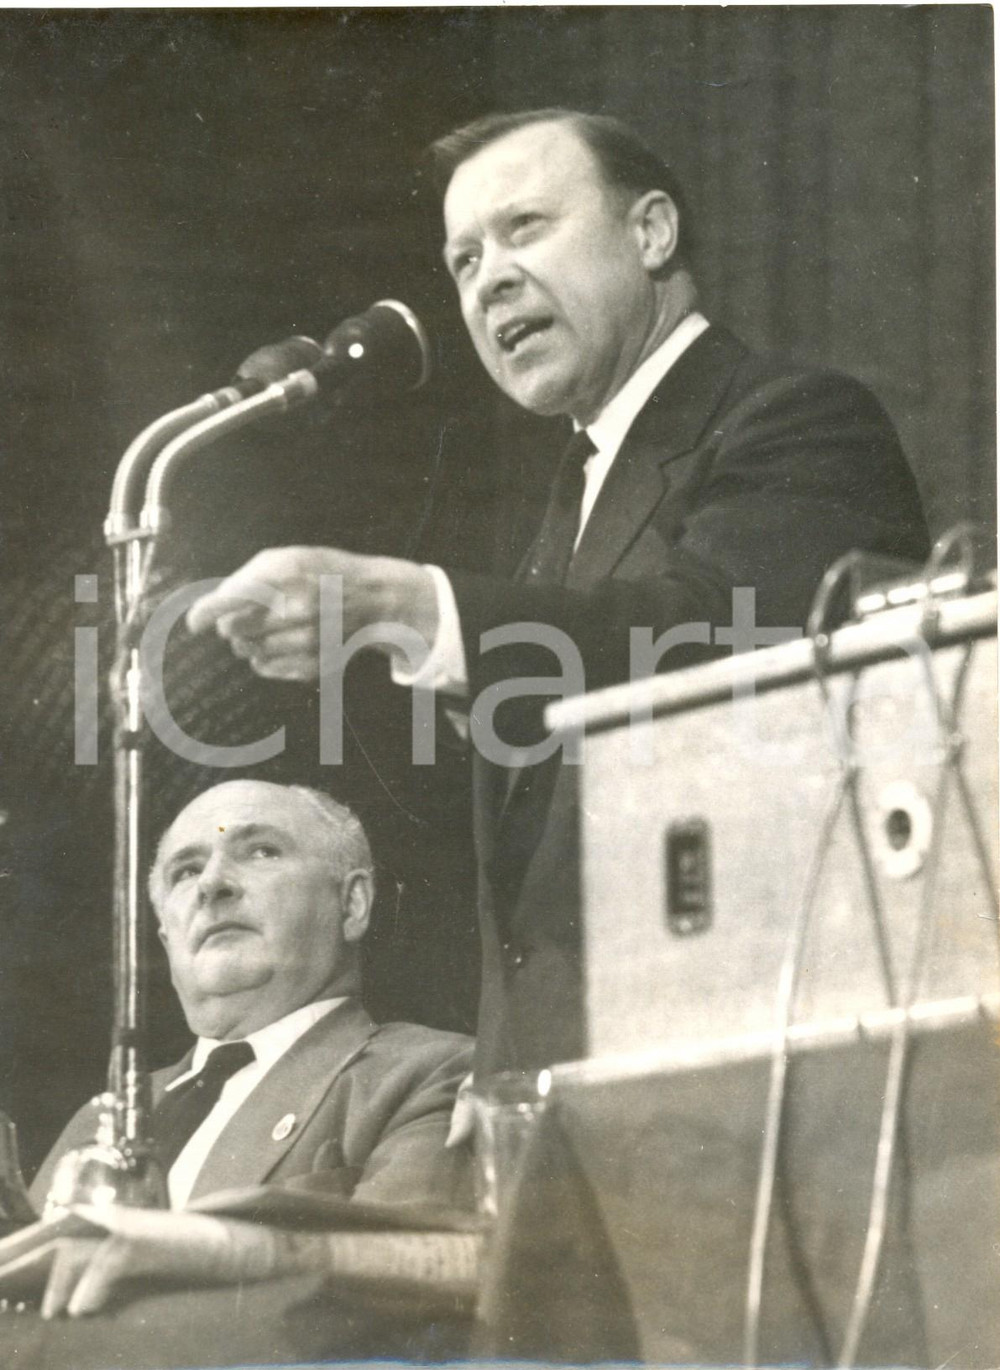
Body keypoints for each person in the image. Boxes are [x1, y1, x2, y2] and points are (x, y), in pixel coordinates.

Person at [182, 109, 930, 1079]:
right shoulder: (574, 496)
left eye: (524, 228)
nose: (487, 279)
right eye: (462, 260)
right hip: (566, 1081)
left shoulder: (792, 417)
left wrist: (405, 607)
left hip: (751, 1057)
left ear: (651, 232)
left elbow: (723, 646)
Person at [21, 779, 474, 1319]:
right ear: (167, 937)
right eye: (185, 871)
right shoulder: (99, 1122)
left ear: (352, 904)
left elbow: (390, 1312)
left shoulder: (434, 1074)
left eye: (260, 851)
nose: (212, 884)